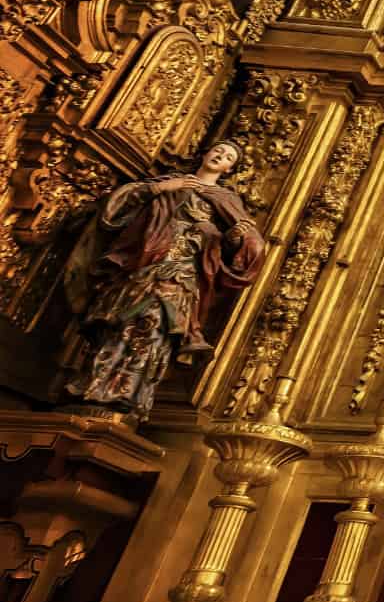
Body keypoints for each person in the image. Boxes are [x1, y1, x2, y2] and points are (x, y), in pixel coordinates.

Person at [59, 141, 264, 418]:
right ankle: (93, 387)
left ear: (229, 169)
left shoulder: (226, 199)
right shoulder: (171, 183)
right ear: (205, 153)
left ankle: (128, 396)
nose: (220, 156)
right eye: (218, 150)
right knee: (119, 322)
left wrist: (229, 237)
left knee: (155, 328)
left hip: (181, 275)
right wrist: (158, 189)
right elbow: (116, 209)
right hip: (145, 264)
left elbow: (240, 248)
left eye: (228, 157)